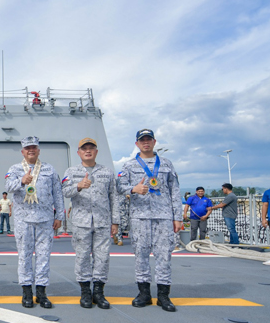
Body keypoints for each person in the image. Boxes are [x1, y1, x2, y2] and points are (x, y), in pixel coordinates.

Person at [115, 129, 181, 310]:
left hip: (164, 216)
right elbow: (119, 187)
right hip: (140, 216)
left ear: (154, 142)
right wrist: (133, 189)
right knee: (141, 255)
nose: (146, 142)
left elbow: (175, 191)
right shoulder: (129, 166)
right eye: (142, 140)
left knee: (164, 256)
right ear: (137, 143)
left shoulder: (166, 164)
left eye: (148, 139)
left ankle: (163, 296)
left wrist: (178, 217)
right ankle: (144, 293)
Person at [2, 136, 63, 309]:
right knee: (24, 256)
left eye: (34, 147)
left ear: (38, 150)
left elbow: (57, 193)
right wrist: (21, 181)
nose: (31, 150)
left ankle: (41, 292)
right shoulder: (14, 169)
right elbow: (8, 187)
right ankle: (27, 291)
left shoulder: (49, 169)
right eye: (28, 148)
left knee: (44, 256)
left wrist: (59, 216)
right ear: (22, 151)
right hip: (23, 220)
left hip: (45, 220)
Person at [62, 138, 118, 309]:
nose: (88, 151)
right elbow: (64, 191)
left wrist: (115, 221)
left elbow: (114, 197)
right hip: (81, 222)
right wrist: (78, 186)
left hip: (102, 221)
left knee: (102, 257)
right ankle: (85, 291)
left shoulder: (107, 172)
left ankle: (99, 292)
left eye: (91, 148)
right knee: (82, 256)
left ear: (96, 152)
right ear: (78, 152)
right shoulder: (71, 172)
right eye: (84, 148)